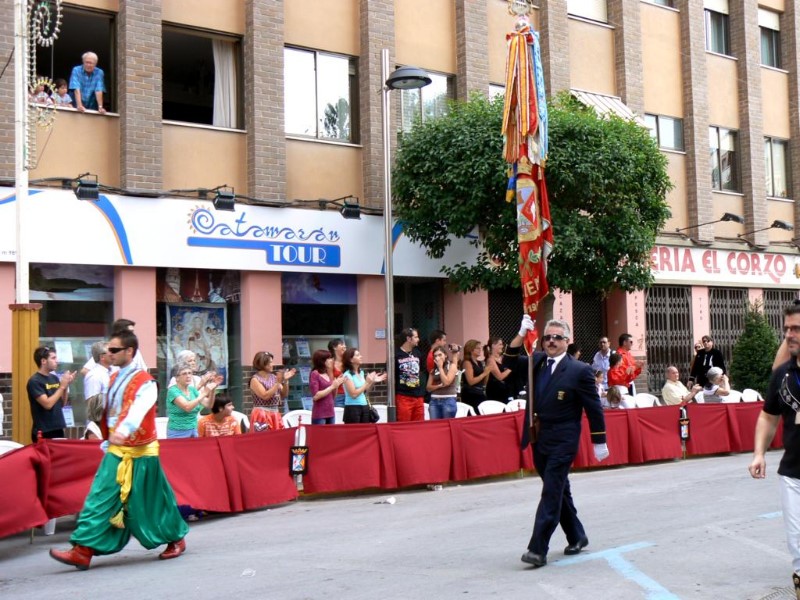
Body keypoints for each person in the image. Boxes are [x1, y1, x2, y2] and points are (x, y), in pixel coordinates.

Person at [49, 330, 188, 570]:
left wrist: (124, 430)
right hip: (116, 449)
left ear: (129, 351)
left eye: (114, 350)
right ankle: (82, 550)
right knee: (99, 496)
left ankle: (176, 538)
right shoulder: (113, 377)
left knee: (151, 500)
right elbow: (112, 411)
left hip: (141, 452)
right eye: (108, 350)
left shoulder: (146, 382)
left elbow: (139, 409)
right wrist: (108, 438)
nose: (109, 354)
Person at [504, 315, 608, 569]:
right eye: (547, 337)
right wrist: (521, 333)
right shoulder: (536, 361)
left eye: (557, 338)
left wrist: (599, 440)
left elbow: (594, 408)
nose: (551, 341)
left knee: (551, 490)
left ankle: (537, 548)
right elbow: (507, 361)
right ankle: (577, 535)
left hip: (564, 438)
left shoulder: (579, 370)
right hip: (539, 435)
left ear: (567, 341)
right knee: (559, 489)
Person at [749, 302, 800, 599]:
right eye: (786, 329)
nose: (789, 335)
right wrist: (759, 453)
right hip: (793, 474)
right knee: (799, 550)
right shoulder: (782, 375)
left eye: (796, 329)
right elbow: (768, 416)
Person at [27, 346, 76, 443]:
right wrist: (62, 386)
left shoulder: (54, 378)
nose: (56, 361)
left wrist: (66, 385)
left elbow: (62, 403)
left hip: (58, 428)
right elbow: (47, 404)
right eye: (53, 358)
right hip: (44, 430)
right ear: (43, 361)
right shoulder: (35, 381)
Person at [166, 363, 219, 438]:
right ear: (177, 378)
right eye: (184, 374)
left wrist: (212, 390)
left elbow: (209, 405)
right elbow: (187, 407)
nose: (188, 376)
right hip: (177, 432)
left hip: (194, 429)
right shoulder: (173, 391)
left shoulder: (192, 389)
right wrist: (204, 393)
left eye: (190, 373)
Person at [249, 351, 296, 432]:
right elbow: (265, 396)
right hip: (262, 413)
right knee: (263, 438)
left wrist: (285, 381)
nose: (272, 364)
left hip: (275, 413)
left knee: (277, 437)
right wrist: (278, 383)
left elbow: (284, 394)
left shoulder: (274, 377)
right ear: (263, 364)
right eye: (270, 362)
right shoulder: (255, 379)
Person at [342, 348, 386, 423]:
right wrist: (366, 382)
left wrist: (372, 382)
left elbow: (365, 391)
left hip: (364, 405)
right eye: (357, 355)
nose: (361, 356)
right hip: (352, 407)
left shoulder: (361, 372)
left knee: (365, 429)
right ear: (351, 360)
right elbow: (353, 394)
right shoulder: (347, 375)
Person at [395, 328, 425, 421]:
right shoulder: (396, 355)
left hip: (418, 395)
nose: (418, 339)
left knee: (419, 424)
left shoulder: (417, 353)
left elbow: (421, 370)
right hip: (404, 396)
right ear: (408, 339)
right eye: (416, 337)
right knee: (404, 423)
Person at [309, 349, 345, 425]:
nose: (331, 360)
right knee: (320, 433)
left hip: (330, 412)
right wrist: (332, 387)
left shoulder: (328, 373)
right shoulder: (315, 374)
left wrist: (336, 385)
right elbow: (316, 396)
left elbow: (333, 396)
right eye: (328, 358)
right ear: (322, 361)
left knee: (331, 432)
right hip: (320, 413)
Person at [427, 345, 459, 419]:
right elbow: (428, 388)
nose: (437, 357)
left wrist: (440, 368)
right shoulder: (433, 370)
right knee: (434, 425)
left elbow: (446, 382)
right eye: (435, 356)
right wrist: (439, 386)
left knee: (447, 424)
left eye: (440, 355)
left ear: (445, 355)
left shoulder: (452, 366)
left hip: (448, 400)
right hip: (434, 400)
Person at [460, 339, 490, 413]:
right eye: (477, 348)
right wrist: (484, 373)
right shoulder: (467, 362)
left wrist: (487, 372)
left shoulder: (480, 363)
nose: (480, 350)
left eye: (480, 348)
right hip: (470, 394)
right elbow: (471, 381)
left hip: (479, 392)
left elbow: (484, 382)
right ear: (471, 349)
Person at [485, 336, 514, 402]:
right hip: (495, 392)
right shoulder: (490, 360)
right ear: (493, 346)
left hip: (506, 390)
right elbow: (500, 377)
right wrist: (511, 368)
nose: (502, 346)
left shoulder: (503, 358)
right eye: (500, 344)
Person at [328, 338, 347, 408]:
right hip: (338, 395)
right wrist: (337, 382)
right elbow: (330, 382)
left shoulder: (348, 361)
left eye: (345, 344)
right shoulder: (330, 362)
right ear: (334, 347)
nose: (344, 346)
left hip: (350, 395)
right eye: (341, 344)